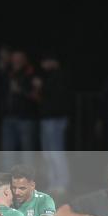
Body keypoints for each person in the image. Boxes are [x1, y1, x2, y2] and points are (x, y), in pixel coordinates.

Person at [35, 54, 71, 195]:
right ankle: (53, 182)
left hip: (56, 119)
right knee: (47, 154)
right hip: (46, 118)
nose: (43, 64)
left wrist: (41, 87)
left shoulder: (60, 76)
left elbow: (56, 98)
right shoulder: (46, 76)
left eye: (46, 60)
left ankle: (62, 182)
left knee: (56, 153)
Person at [0, 50, 38, 169]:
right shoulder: (7, 74)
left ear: (25, 60)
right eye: (15, 58)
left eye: (19, 58)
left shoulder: (31, 73)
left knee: (27, 153)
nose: (17, 61)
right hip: (8, 118)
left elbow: (36, 95)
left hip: (25, 118)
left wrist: (20, 90)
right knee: (8, 153)